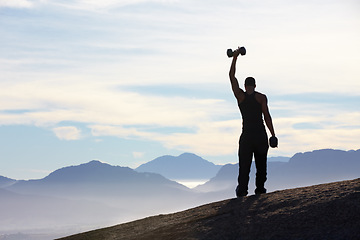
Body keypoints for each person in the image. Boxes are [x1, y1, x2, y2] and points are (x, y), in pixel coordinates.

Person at [228, 47, 276, 197]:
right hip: (260, 135)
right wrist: (273, 134)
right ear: (255, 86)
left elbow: (231, 76)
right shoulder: (261, 97)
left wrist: (235, 57)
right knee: (261, 165)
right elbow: (267, 117)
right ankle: (260, 189)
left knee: (244, 166)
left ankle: (242, 191)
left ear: (244, 86)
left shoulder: (240, 96)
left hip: (247, 135)